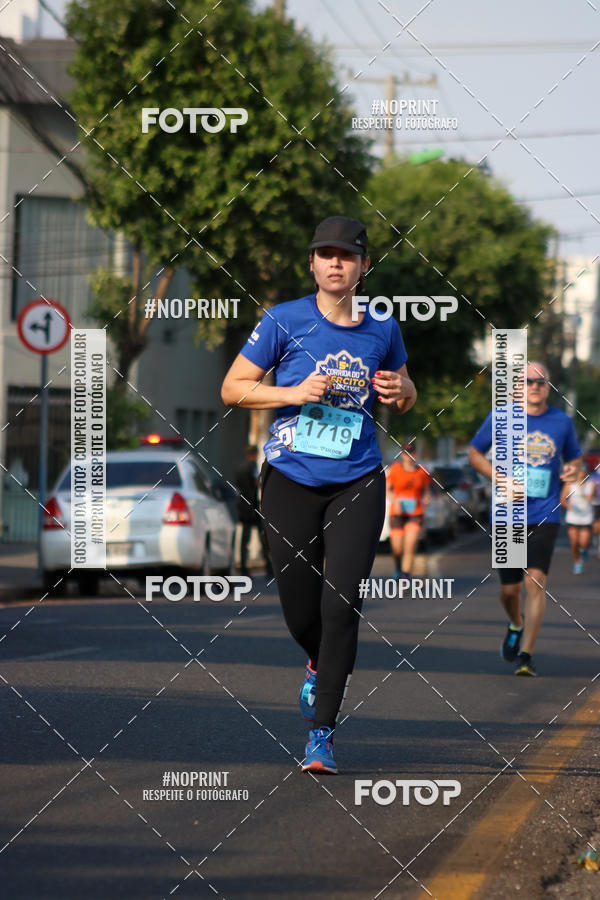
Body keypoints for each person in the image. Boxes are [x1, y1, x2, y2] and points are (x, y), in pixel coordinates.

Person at [221, 215, 416, 774]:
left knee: (342, 604)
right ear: (312, 263)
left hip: (357, 479)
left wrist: (403, 390)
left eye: (346, 255)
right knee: (301, 608)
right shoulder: (283, 320)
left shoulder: (383, 325)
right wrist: (292, 390)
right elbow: (233, 388)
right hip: (290, 479)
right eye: (324, 253)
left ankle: (322, 733)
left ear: (364, 266)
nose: (335, 263)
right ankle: (315, 661)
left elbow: (406, 391)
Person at [468, 361, 581, 677]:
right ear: (518, 386)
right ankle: (515, 623)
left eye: (541, 381)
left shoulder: (561, 422)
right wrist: (499, 478)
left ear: (549, 386)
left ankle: (526, 655)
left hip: (545, 513)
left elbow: (574, 460)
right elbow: (475, 453)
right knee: (510, 590)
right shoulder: (500, 417)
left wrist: (571, 478)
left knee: (536, 580)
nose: (535, 386)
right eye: (529, 381)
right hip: (506, 513)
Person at [386, 443, 431, 577]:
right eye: (406, 453)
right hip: (398, 512)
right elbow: (387, 489)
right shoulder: (395, 469)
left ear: (416, 454)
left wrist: (426, 497)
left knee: (410, 544)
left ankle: (405, 575)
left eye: (412, 453)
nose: (409, 456)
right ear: (402, 455)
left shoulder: (422, 471)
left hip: (415, 512)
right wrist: (395, 501)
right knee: (397, 548)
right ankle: (398, 568)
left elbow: (426, 491)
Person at [235, 444, 273, 578]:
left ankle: (244, 568)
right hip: (253, 506)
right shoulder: (252, 467)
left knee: (244, 540)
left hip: (243, 505)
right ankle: (269, 568)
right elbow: (257, 483)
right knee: (263, 537)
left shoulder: (239, 468)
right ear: (255, 454)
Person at [561, 465, 596, 574]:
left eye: (583, 471)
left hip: (586, 517)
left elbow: (594, 497)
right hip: (573, 517)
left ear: (586, 473)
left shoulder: (592, 484)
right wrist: (568, 505)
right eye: (579, 471)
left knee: (584, 542)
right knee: (574, 542)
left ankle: (584, 550)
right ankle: (577, 562)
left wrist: (591, 497)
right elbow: (563, 500)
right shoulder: (569, 485)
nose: (581, 473)